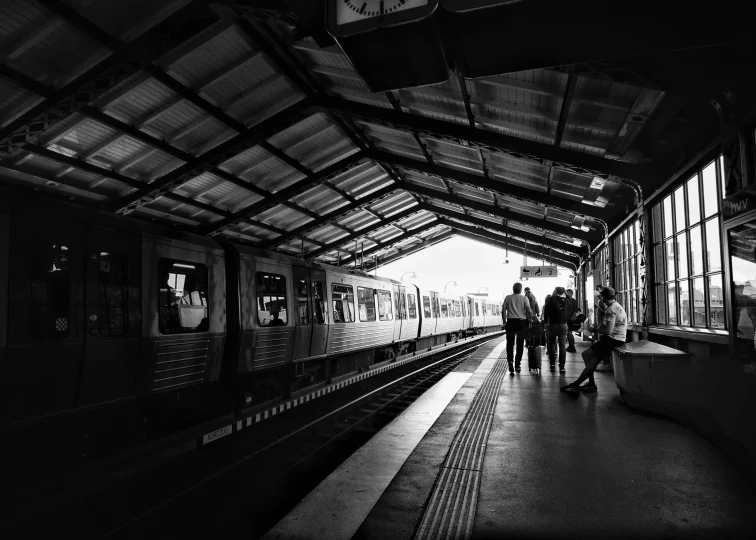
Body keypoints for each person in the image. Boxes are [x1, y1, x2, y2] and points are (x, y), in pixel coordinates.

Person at [561, 286, 627, 393]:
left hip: (612, 340)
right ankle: (591, 383)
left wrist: (594, 330)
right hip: (612, 338)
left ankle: (576, 384)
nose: (600, 298)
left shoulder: (612, 310)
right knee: (585, 355)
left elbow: (608, 331)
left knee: (593, 360)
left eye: (602, 296)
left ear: (604, 297)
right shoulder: (615, 306)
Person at [503, 282, 537, 374]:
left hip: (510, 322)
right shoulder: (524, 298)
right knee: (520, 344)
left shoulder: (508, 297)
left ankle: (510, 361)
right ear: (521, 290)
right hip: (521, 323)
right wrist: (533, 318)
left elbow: (503, 310)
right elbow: (529, 310)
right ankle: (517, 364)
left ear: (513, 289)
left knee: (510, 344)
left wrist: (504, 322)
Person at [543, 287, 569, 373]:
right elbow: (568, 313)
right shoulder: (565, 300)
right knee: (562, 346)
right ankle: (562, 366)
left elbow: (546, 312)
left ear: (555, 291)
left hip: (552, 325)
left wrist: (545, 323)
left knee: (551, 344)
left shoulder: (550, 300)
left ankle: (552, 364)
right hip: (563, 325)